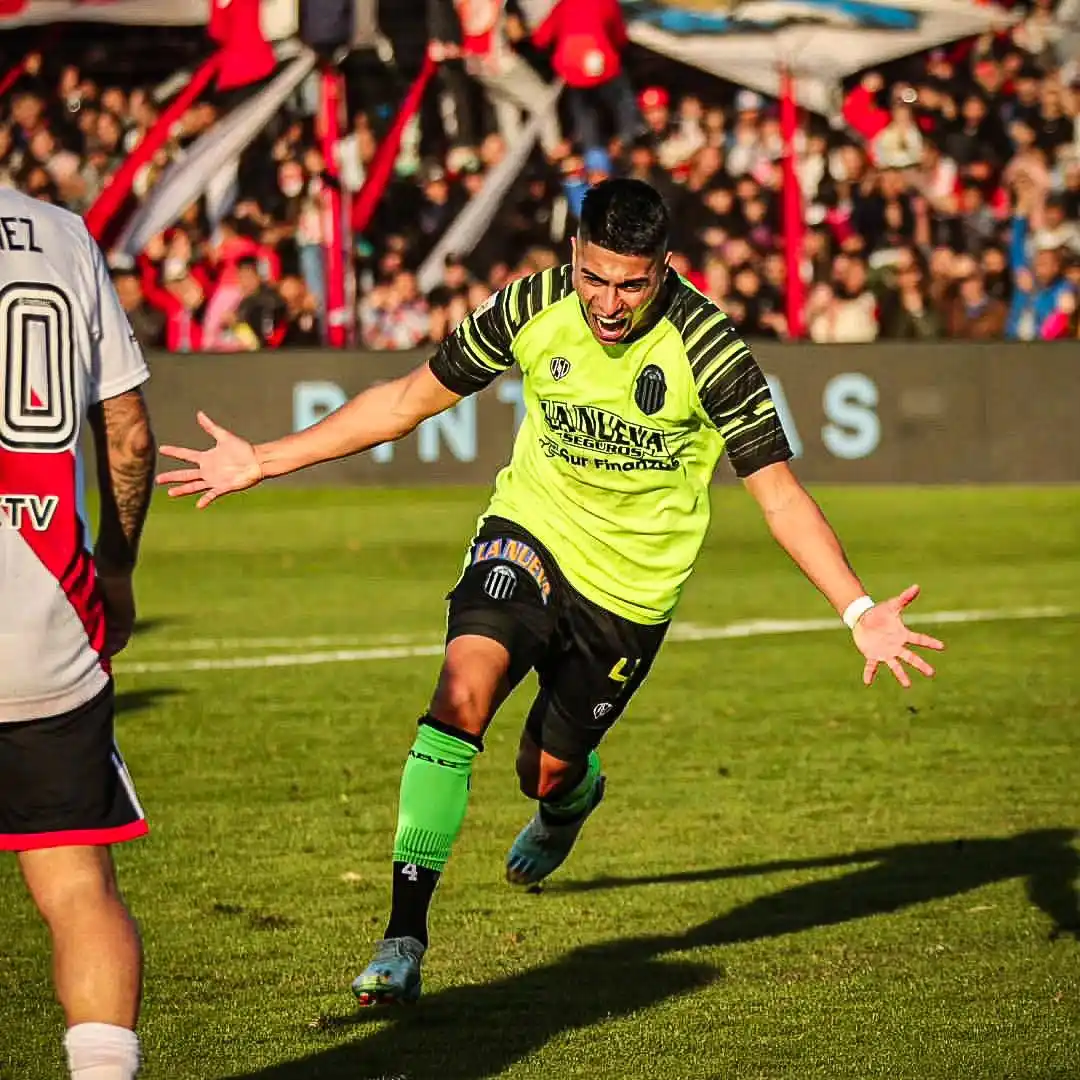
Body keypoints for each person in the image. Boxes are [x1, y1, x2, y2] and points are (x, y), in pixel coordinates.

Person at [156, 178, 944, 1007]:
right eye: (594, 277)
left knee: (545, 770)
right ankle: (403, 937)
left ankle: (568, 803)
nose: (609, 302)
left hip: (629, 593)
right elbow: (402, 403)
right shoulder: (531, 303)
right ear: (574, 255)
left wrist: (857, 610)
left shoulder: (709, 350)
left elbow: (778, 494)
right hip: (529, 534)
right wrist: (265, 460)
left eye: (632, 284)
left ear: (664, 269)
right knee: (459, 694)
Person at [0, 188, 157, 1078]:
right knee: (76, 885)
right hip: (45, 612)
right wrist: (120, 567)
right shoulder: (60, 233)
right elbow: (127, 437)